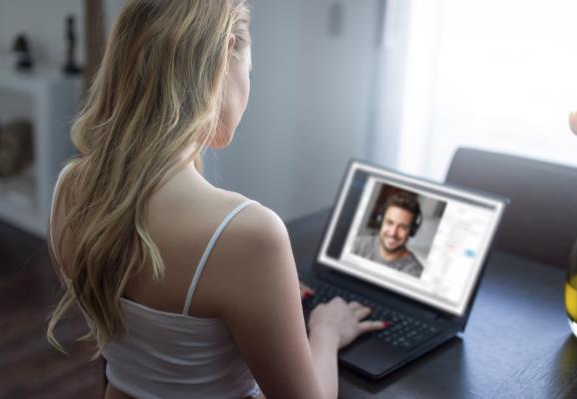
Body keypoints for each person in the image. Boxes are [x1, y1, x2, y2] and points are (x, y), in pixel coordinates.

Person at [45, 1, 385, 398]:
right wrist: (325, 330)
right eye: (250, 70)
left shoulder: (69, 188)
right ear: (225, 55)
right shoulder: (248, 235)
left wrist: (261, 289)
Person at [352, 192, 424, 278]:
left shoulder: (414, 272)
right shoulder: (357, 245)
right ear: (381, 222)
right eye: (389, 223)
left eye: (403, 227)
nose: (393, 233)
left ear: (412, 231)